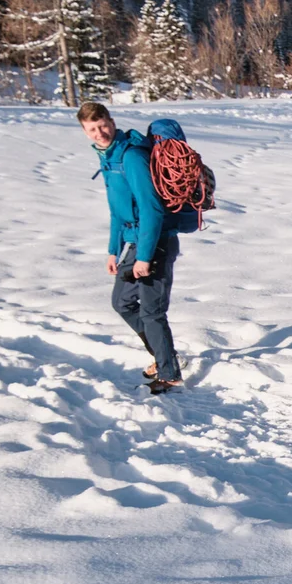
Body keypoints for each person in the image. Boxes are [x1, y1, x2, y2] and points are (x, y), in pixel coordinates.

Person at [81, 101, 182, 395]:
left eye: (103, 125)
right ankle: (164, 355)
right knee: (122, 302)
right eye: (92, 129)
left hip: (155, 241)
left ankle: (169, 373)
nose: (100, 133)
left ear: (112, 121)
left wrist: (145, 257)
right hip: (134, 242)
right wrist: (114, 250)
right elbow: (117, 211)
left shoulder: (133, 156)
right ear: (85, 132)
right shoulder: (109, 158)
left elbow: (152, 210)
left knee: (152, 311)